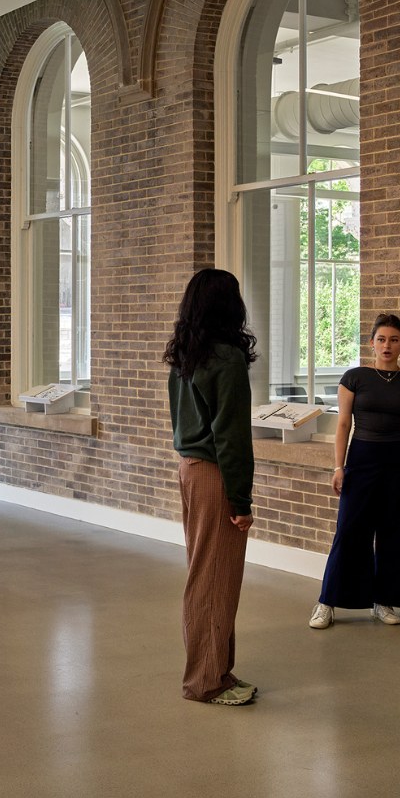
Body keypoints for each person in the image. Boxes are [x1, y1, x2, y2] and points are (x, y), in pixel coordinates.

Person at [165, 268, 258, 706]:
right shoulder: (227, 358)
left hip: (189, 469)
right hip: (214, 475)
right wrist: (241, 500)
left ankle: (217, 669)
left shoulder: (187, 354)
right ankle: (206, 681)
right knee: (215, 578)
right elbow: (232, 436)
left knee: (207, 574)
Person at [310, 313, 400, 631]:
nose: (387, 345)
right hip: (362, 458)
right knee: (350, 530)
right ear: (371, 343)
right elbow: (342, 425)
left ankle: (383, 600)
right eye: (381, 339)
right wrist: (338, 467)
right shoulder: (355, 377)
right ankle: (327, 602)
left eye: (394, 340)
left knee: (396, 532)